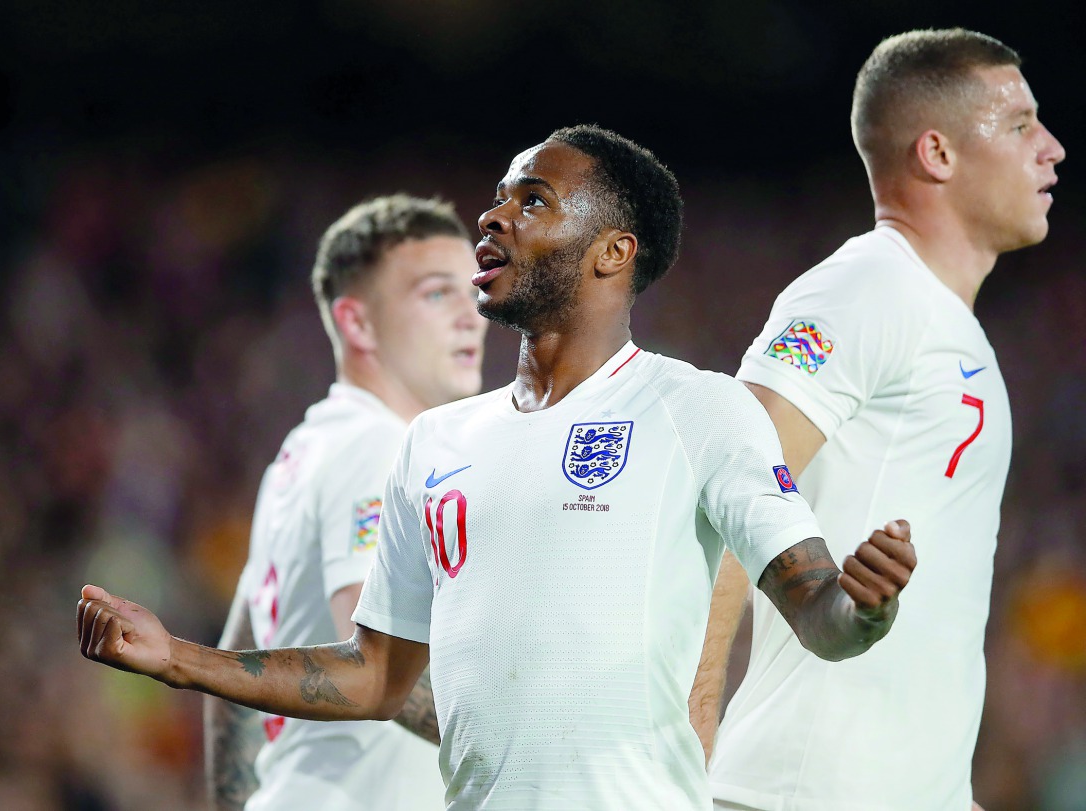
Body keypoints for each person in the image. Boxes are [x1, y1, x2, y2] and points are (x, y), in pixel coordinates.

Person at [78, 125, 917, 810]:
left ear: (612, 251)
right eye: (499, 195)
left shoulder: (695, 408)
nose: (492, 216)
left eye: (533, 200)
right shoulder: (434, 443)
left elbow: (818, 609)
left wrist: (863, 606)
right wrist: (175, 659)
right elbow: (375, 674)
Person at [700, 28, 1066, 811]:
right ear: (937, 153)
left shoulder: (951, 326)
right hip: (798, 791)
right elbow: (723, 496)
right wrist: (687, 734)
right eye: (1019, 125)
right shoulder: (866, 288)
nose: (1053, 148)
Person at [203, 194, 487, 810]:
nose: (473, 316)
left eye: (474, 291)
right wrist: (536, 749)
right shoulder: (378, 448)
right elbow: (378, 664)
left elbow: (233, 676)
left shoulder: (299, 455)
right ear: (357, 323)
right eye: (438, 294)